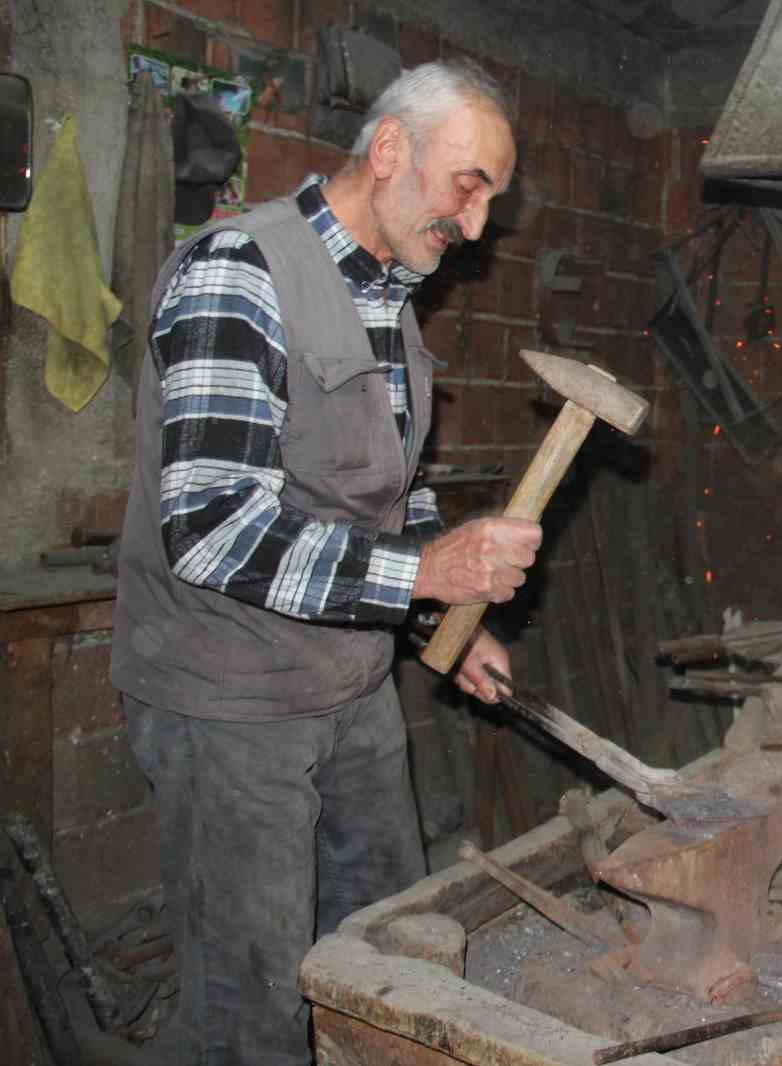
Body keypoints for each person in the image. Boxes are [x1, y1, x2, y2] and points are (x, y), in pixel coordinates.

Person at [111, 59, 539, 1064]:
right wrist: (424, 577)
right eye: (467, 186)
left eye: (490, 202)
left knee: (385, 963)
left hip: (348, 688)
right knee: (250, 1010)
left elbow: (380, 492)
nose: (474, 227)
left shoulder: (387, 298)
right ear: (389, 149)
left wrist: (437, 616)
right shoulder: (241, 272)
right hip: (230, 704)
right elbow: (214, 525)